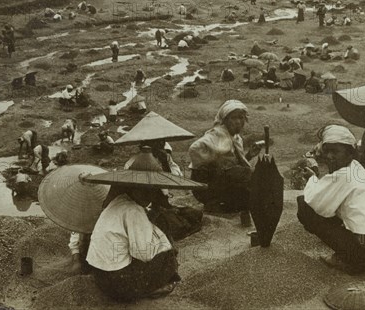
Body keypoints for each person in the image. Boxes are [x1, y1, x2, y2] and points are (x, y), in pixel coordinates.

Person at [297, 125, 365, 274]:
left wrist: (312, 179)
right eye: (327, 151)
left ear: (350, 153)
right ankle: (355, 256)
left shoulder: (344, 175)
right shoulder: (357, 168)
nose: (329, 156)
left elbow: (315, 202)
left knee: (304, 207)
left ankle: (349, 260)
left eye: (335, 152)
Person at [86, 153, 182, 302]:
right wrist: (162, 244)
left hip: (100, 276)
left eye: (150, 190)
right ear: (131, 188)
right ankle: (151, 289)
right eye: (141, 190)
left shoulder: (118, 201)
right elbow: (145, 254)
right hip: (118, 284)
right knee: (168, 256)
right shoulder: (133, 210)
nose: (148, 195)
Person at [189, 100, 261, 214]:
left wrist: (248, 155)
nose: (238, 122)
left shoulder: (236, 139)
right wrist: (213, 163)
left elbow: (232, 164)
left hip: (223, 182)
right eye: (234, 118)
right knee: (246, 174)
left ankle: (226, 205)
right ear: (225, 120)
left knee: (251, 180)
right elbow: (194, 148)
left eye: (241, 118)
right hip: (206, 187)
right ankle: (213, 203)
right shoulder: (216, 135)